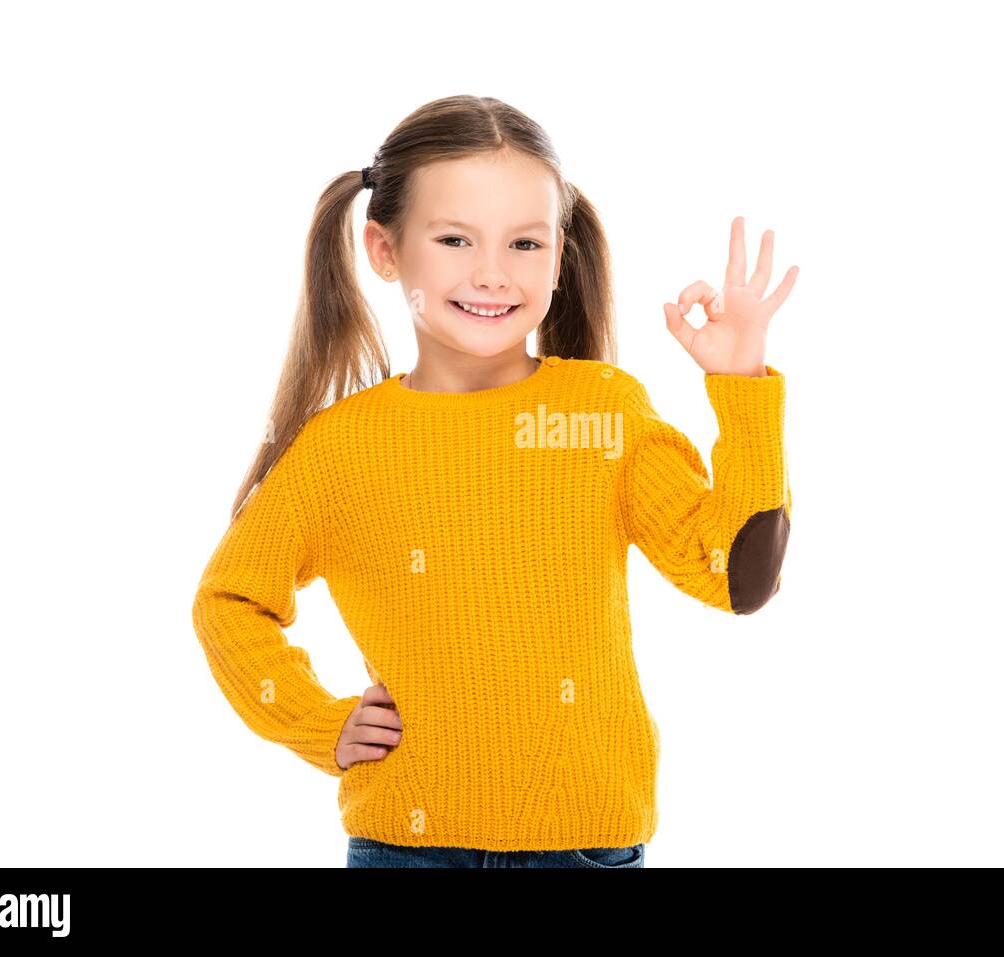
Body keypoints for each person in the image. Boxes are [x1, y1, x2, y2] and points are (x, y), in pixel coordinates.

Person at [190, 94, 797, 868]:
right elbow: (228, 601)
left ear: (558, 253)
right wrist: (319, 721)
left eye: (523, 243)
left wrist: (742, 381)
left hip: (585, 842)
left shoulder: (602, 412)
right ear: (384, 249)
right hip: (405, 846)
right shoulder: (338, 449)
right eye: (453, 238)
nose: (491, 273)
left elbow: (736, 576)